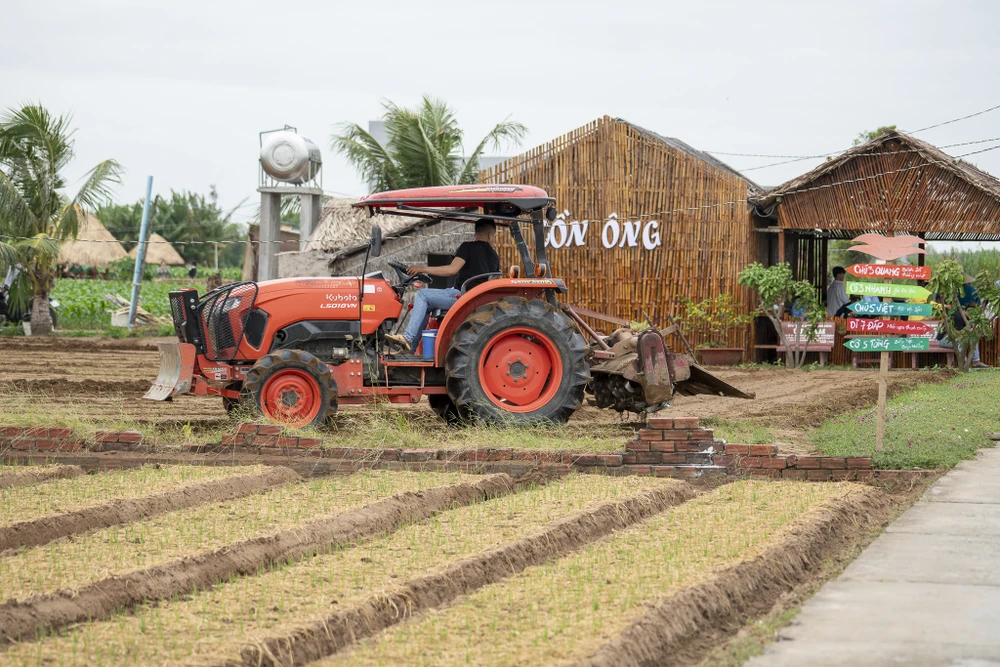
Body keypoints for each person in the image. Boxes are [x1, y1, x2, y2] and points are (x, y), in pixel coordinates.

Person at [385, 219, 499, 352]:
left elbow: (452, 270)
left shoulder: (467, 247)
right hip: (474, 299)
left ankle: (408, 338)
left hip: (461, 297)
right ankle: (410, 350)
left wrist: (423, 269)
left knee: (422, 295)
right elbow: (493, 282)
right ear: (491, 235)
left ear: (476, 234)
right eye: (494, 237)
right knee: (427, 305)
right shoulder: (494, 256)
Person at [937, 274, 988, 368]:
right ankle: (964, 364)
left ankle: (976, 362)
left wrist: (972, 330)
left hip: (955, 339)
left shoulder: (968, 319)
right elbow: (956, 334)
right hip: (944, 340)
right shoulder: (955, 316)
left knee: (973, 338)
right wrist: (965, 333)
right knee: (961, 341)